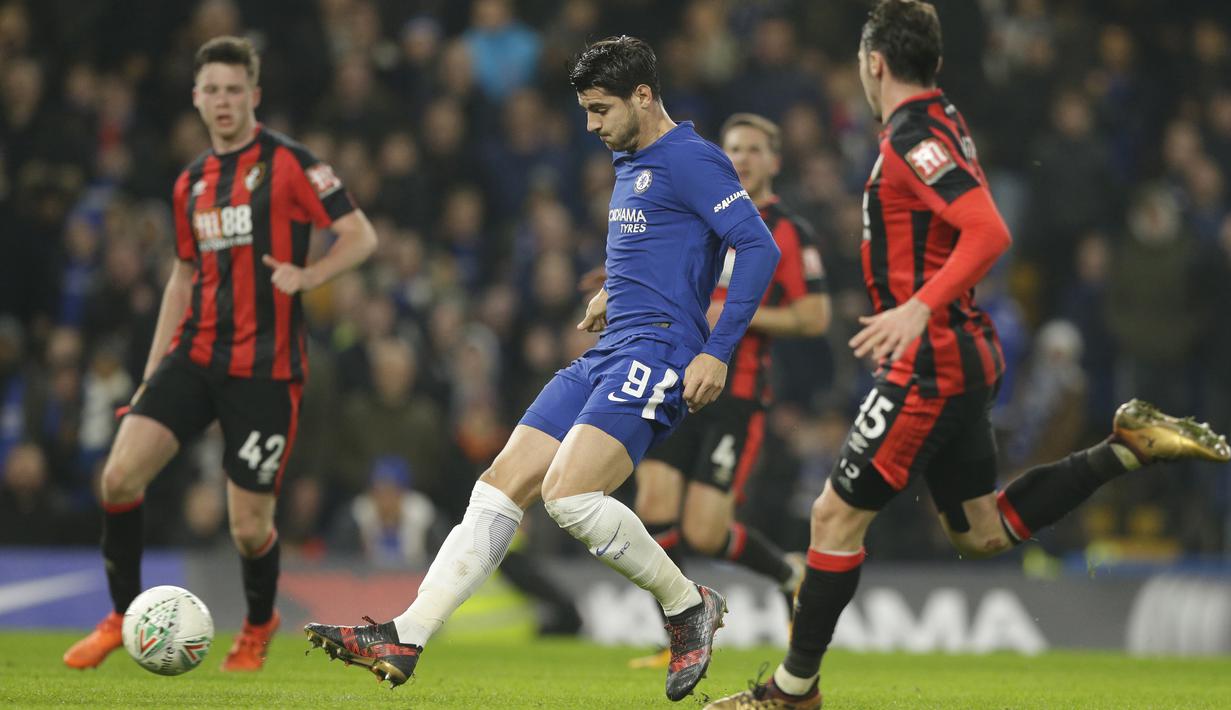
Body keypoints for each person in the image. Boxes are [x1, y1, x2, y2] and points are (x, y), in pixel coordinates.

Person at [704, 2, 1230, 708]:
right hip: (962, 350)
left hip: (931, 359)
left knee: (832, 518)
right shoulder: (939, 117)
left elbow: (987, 229)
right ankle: (1124, 448)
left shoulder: (912, 137)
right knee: (981, 531)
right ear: (935, 66)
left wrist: (917, 305)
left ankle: (790, 693)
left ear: (874, 65)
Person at [304, 35, 781, 702]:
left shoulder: (693, 158)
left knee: (569, 498)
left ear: (643, 97)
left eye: (599, 109)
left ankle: (685, 605)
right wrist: (616, 291)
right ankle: (404, 635)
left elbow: (757, 249)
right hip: (613, 346)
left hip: (660, 351)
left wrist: (716, 350)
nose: (590, 125)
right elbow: (673, 248)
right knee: (497, 487)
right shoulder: (634, 156)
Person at [63, 36, 377, 673]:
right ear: (198, 99)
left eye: (236, 89)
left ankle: (259, 624)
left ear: (254, 96)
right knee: (118, 477)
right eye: (214, 90)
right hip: (196, 356)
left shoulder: (289, 163)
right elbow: (183, 277)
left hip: (265, 369)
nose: (225, 101)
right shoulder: (191, 183)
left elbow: (359, 234)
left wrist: (309, 277)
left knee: (247, 526)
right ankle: (122, 617)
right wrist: (153, 375)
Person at [629, 113, 831, 669]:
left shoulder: (789, 232)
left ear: (774, 161)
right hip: (673, 379)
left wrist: (741, 315)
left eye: (753, 149)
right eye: (733, 147)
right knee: (652, 506)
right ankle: (679, 633)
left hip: (736, 393)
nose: (740, 157)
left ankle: (791, 574)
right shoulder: (702, 213)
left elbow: (815, 316)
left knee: (704, 530)